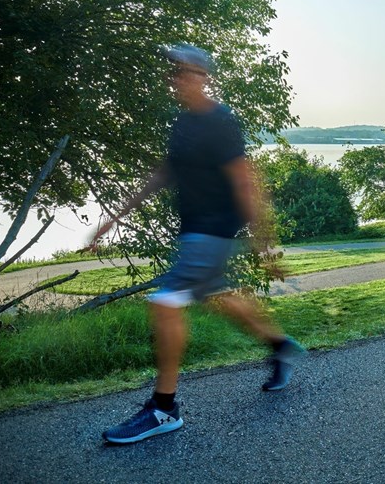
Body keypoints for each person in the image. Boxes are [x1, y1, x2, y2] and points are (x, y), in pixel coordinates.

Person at [90, 44, 304, 444]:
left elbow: (245, 180)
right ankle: (280, 345)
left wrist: (264, 244)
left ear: (205, 77)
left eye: (187, 71)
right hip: (192, 229)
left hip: (215, 228)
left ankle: (163, 408)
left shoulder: (220, 121)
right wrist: (115, 217)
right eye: (174, 71)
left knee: (165, 302)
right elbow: (164, 173)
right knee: (217, 295)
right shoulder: (182, 123)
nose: (178, 78)